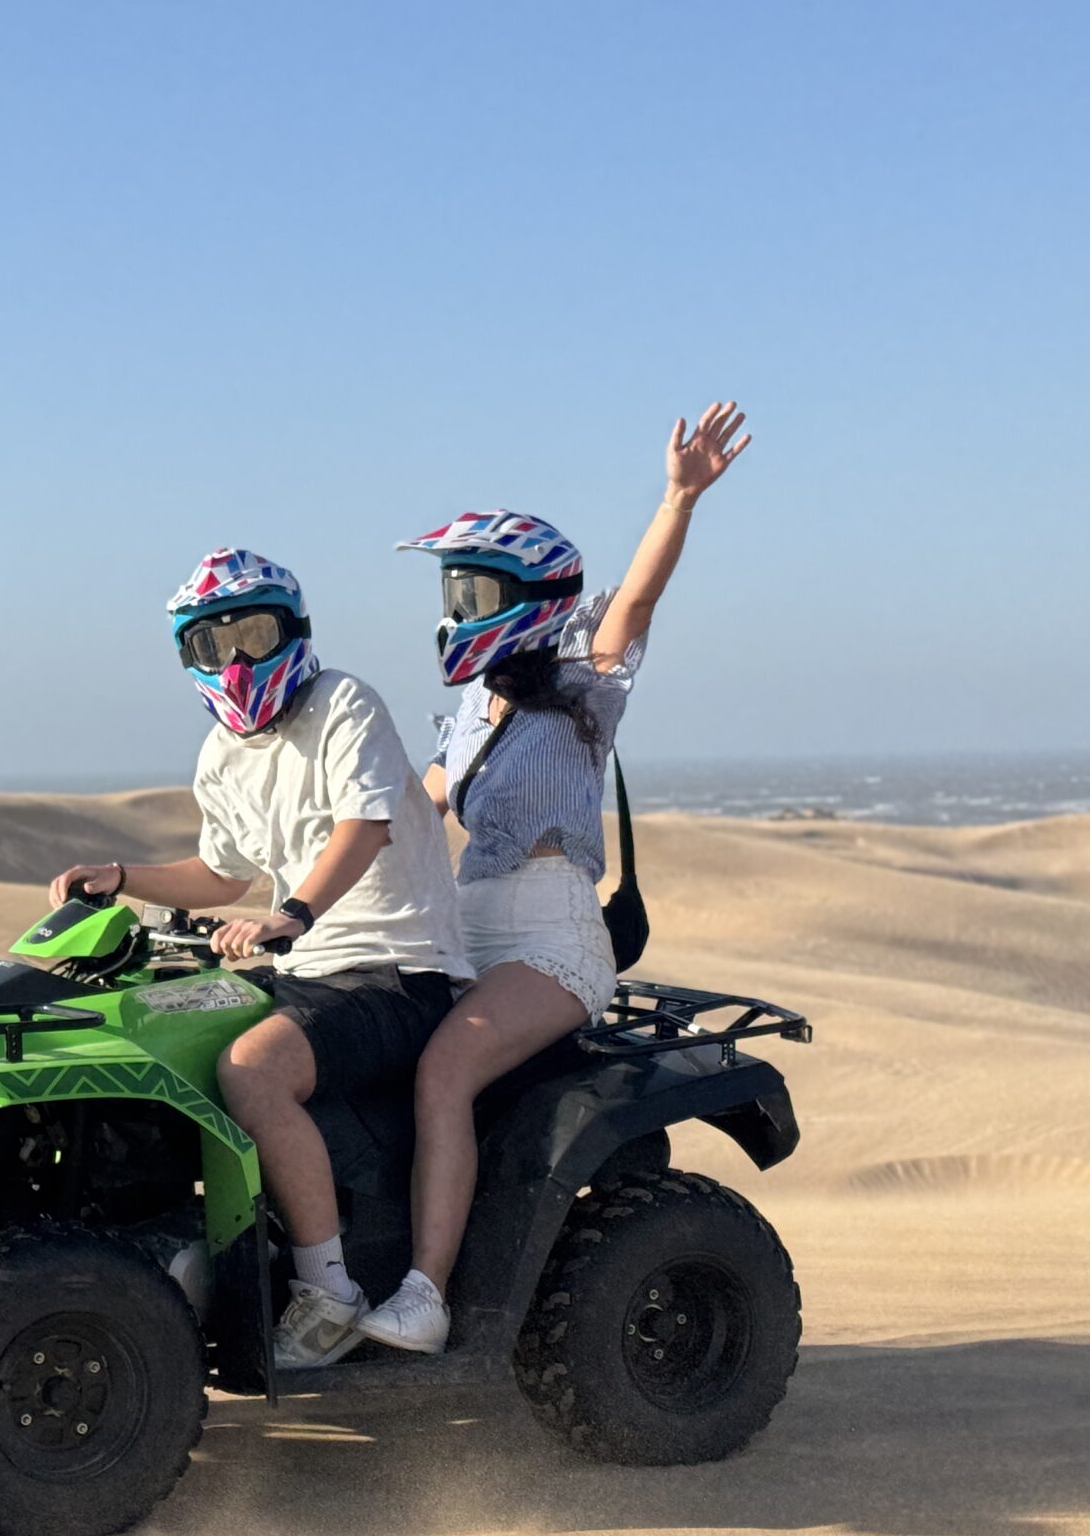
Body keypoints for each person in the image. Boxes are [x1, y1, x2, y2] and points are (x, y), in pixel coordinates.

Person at [353, 401, 752, 1357]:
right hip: (463, 930)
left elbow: (636, 605)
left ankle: (427, 1297)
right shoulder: (467, 717)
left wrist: (678, 499)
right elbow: (404, 816)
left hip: (549, 939)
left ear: (526, 599)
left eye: (475, 593)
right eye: (454, 593)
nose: (457, 612)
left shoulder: (583, 689)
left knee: (445, 1072)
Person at [50, 547, 473, 1370]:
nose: (236, 659)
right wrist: (122, 876)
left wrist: (294, 913)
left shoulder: (344, 704)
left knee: (253, 1071)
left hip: (399, 969)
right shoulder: (221, 756)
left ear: (294, 630)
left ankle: (329, 1293)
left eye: (253, 632)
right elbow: (220, 871)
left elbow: (365, 827)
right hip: (308, 972)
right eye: (213, 644)